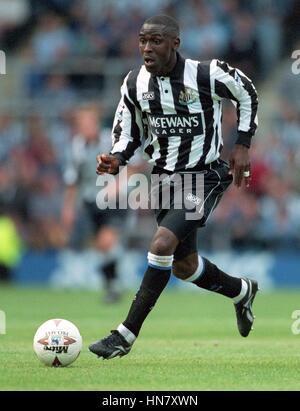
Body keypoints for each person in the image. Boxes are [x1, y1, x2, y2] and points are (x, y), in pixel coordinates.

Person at [89, 15, 259, 359]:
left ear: (175, 43)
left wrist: (242, 144)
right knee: (184, 265)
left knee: (162, 242)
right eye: (142, 41)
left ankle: (125, 335)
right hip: (163, 179)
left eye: (155, 41)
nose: (147, 48)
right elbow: (129, 129)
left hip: (205, 175)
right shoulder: (134, 82)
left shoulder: (206, 73)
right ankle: (242, 291)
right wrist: (118, 158)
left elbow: (247, 93)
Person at [61, 104, 127, 303]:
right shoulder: (76, 147)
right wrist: (68, 208)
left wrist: (117, 186)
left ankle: (113, 280)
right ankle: (113, 284)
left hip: (116, 200)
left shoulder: (112, 140)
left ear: (96, 122)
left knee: (107, 240)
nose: (87, 126)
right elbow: (73, 181)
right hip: (91, 202)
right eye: (83, 123)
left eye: (90, 122)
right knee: (101, 245)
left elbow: (133, 166)